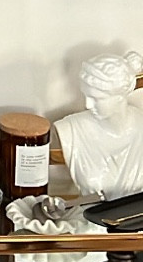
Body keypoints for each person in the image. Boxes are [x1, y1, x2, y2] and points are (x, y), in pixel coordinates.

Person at [56, 54, 143, 199]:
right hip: (89, 219)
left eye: (97, 98)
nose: (88, 105)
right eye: (86, 96)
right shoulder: (70, 130)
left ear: (120, 96)